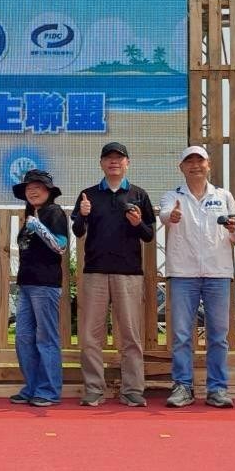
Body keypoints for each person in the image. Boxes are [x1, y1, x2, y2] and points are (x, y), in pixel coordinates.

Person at [71, 142, 156, 407]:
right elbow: (78, 231)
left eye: (119, 158)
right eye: (108, 158)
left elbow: (149, 235)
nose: (114, 162)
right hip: (95, 271)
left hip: (129, 273)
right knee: (90, 336)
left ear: (127, 163)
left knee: (130, 335)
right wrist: (82, 215)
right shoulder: (88, 195)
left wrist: (137, 223)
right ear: (101, 163)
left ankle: (132, 390)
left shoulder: (139, 194)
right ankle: (94, 389)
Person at [159, 146, 235, 409]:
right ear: (181, 167)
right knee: (182, 334)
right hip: (183, 273)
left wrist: (233, 228)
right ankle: (183, 386)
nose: (195, 165)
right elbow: (164, 215)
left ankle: (217, 389)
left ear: (209, 165)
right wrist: (171, 216)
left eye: (200, 161)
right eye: (189, 162)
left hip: (218, 273)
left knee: (218, 335)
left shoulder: (223, 196)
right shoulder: (173, 196)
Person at [9, 170, 68, 408]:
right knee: (23, 337)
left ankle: (49, 390)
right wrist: (32, 223)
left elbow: (61, 246)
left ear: (49, 191)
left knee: (46, 338)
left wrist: (37, 226)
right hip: (26, 283)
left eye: (38, 187)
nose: (32, 191)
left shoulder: (54, 212)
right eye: (29, 187)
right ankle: (32, 387)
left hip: (45, 284)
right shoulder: (31, 214)